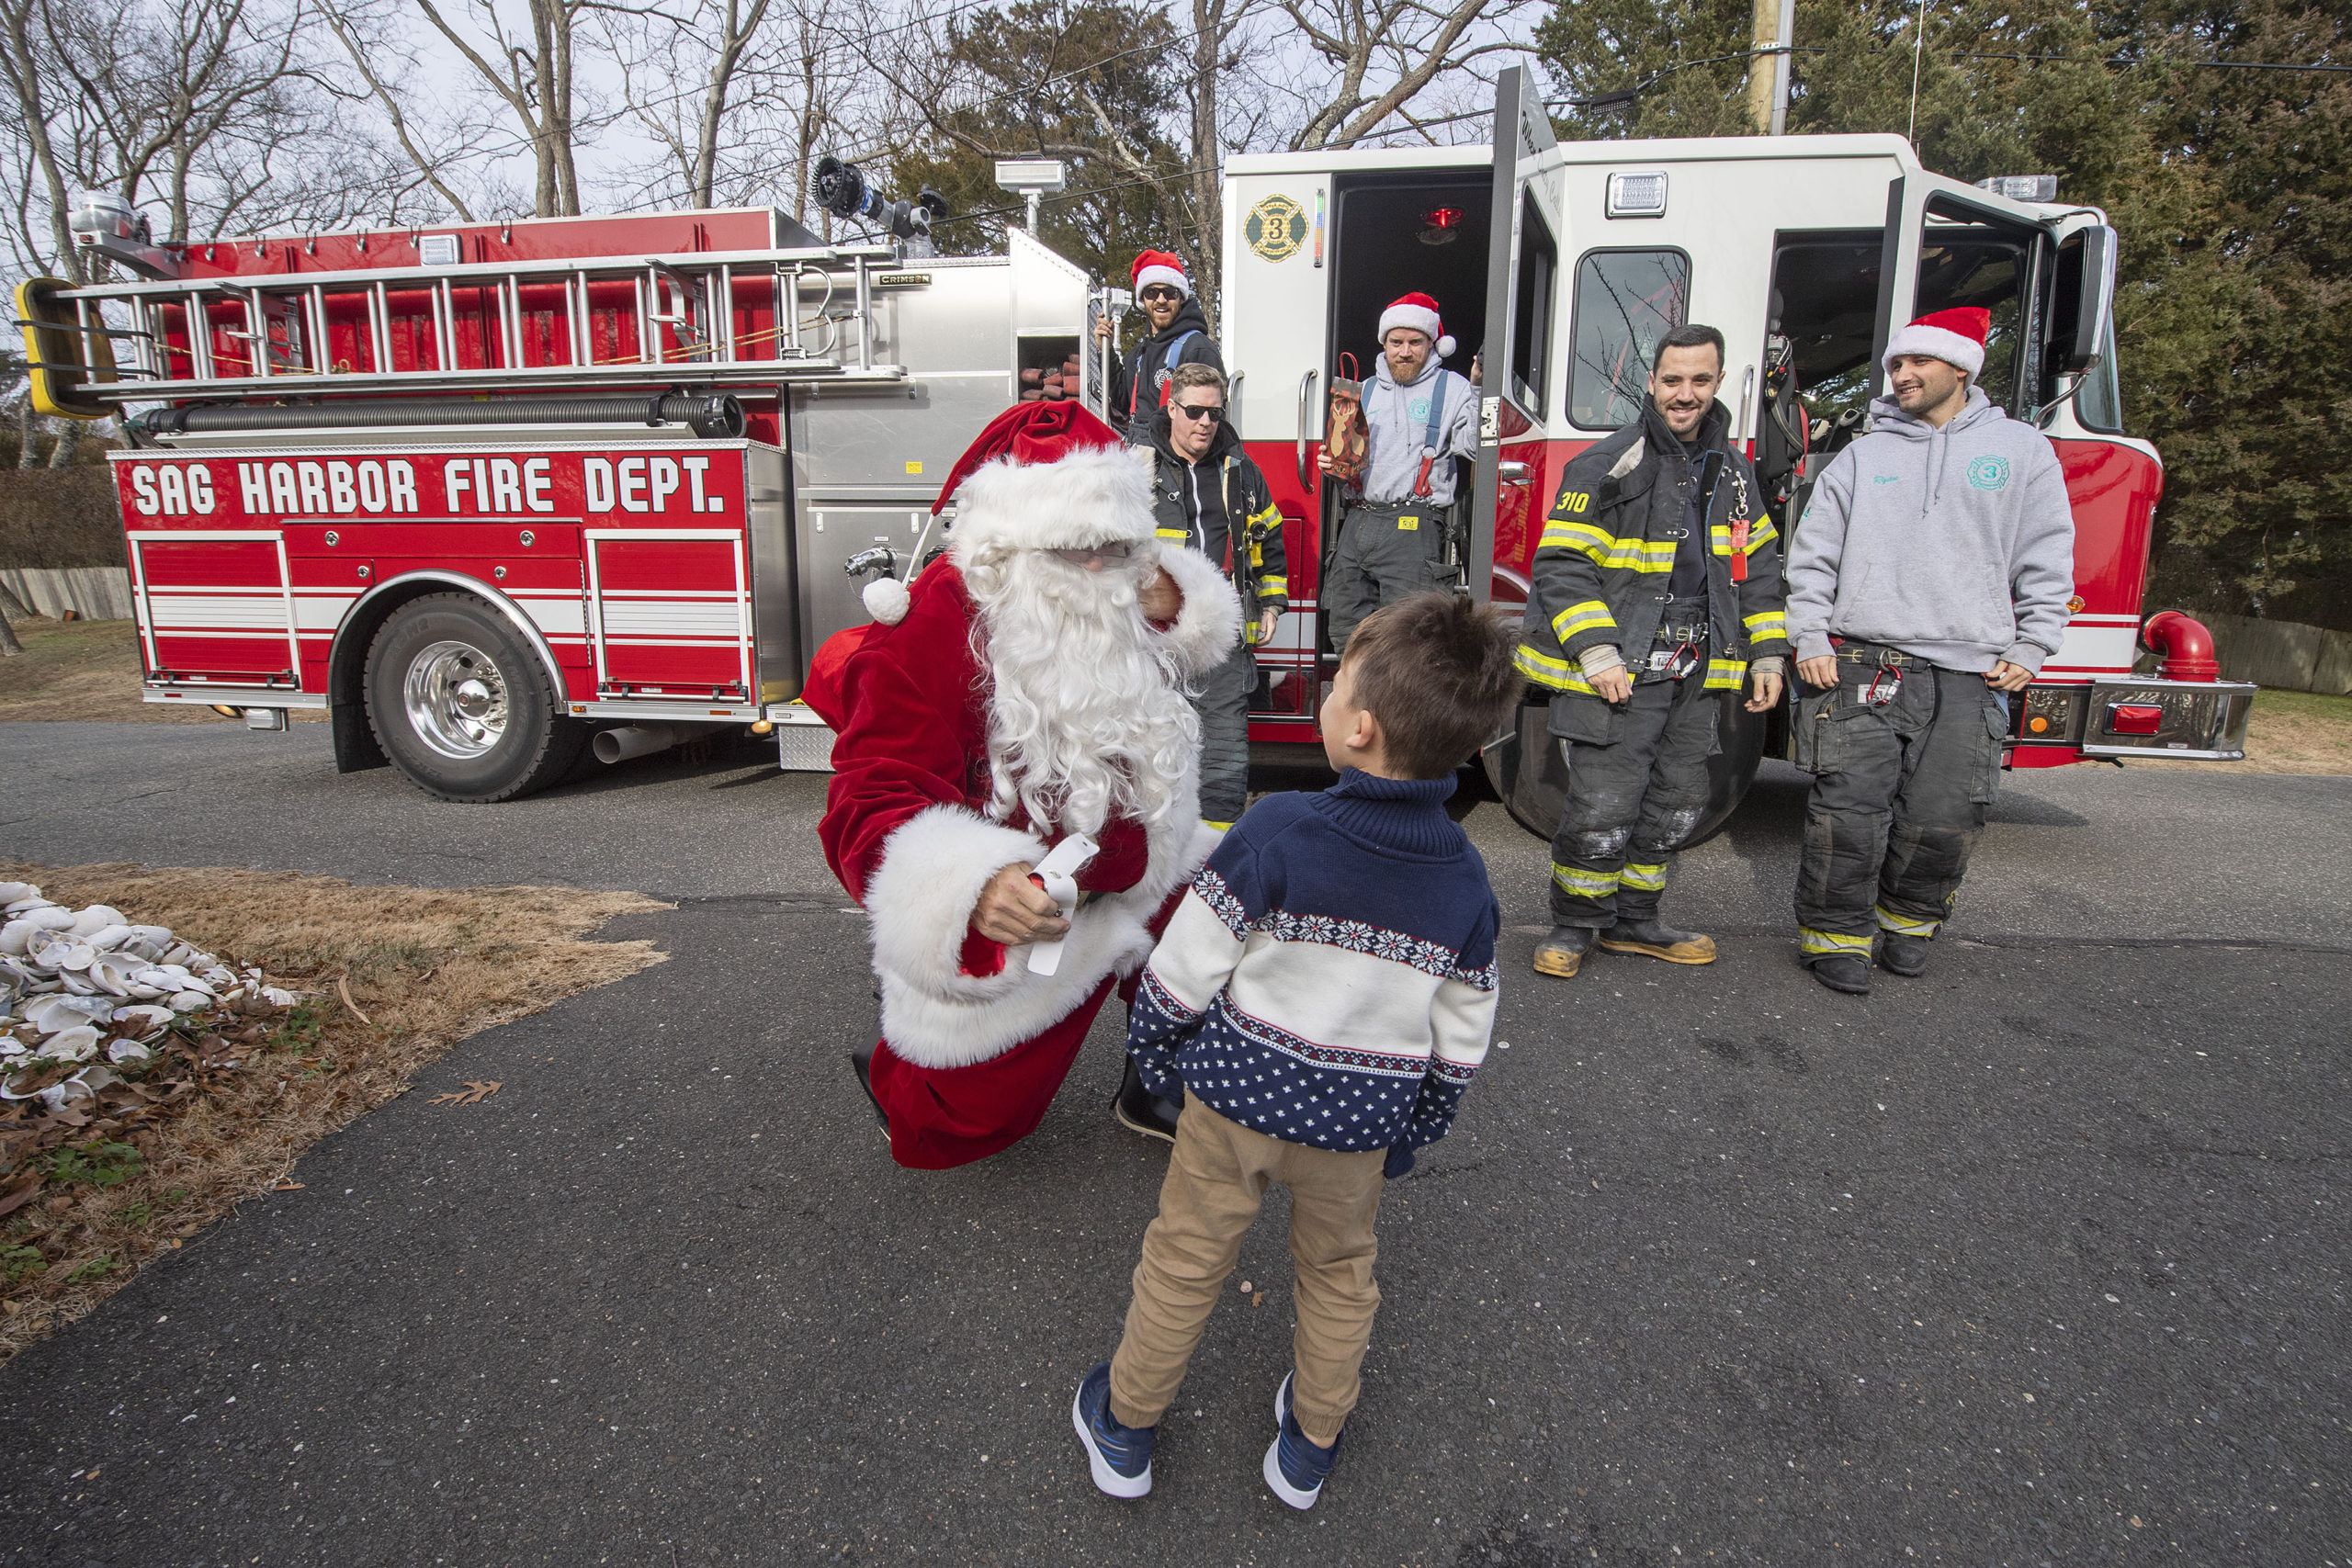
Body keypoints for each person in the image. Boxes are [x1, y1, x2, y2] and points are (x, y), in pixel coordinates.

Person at [1069, 592, 1521, 1511]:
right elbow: (1460, 1034)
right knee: (1339, 1275)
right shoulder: (1467, 880)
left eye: (1334, 684)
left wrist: (1159, 1063)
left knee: (1186, 1258)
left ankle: (1125, 1425)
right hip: (1356, 1128)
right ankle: (1310, 1444)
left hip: (1230, 1102)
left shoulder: (1278, 830)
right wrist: (1416, 1126)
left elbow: (1182, 971)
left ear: (1357, 727)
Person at [817, 400, 1242, 1168]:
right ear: (1005, 542)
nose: (1093, 567)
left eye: (1111, 545)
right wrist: (971, 889)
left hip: (1141, 869)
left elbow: (1195, 623)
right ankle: (900, 1069)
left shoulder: (1120, 584)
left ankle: (1158, 1079)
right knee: (963, 1126)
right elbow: (868, 797)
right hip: (1034, 907)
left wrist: (1171, 599)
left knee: (1238, 887)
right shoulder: (936, 620)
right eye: (1068, 547)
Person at [1784, 306, 2075, 995]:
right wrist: (1811, 633)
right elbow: (1813, 552)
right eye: (1895, 364)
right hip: (1863, 658)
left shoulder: (2022, 452)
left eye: (1916, 363)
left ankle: (1910, 926)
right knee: (1848, 808)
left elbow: (2047, 555)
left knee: (1945, 813)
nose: (1901, 375)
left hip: (1970, 668)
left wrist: (2034, 642)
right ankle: (1834, 938)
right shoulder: (1865, 454)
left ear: (1961, 368)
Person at [1516, 323, 1790, 979]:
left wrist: (1769, 653)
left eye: (1700, 380)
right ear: (1651, 381)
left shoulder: (1736, 475)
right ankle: (1576, 924)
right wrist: (1599, 653)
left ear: (1719, 383)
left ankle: (1636, 921)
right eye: (1673, 379)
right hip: (1622, 668)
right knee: (1603, 803)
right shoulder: (1608, 462)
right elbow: (1561, 566)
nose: (1685, 393)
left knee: (1675, 801)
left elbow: (1760, 567)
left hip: (1698, 670)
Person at [1317, 293, 1480, 649]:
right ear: (1384, 344)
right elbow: (1348, 463)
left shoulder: (1454, 389)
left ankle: (1397, 708)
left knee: (1406, 641)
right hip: (1358, 521)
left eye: (1414, 342)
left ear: (1432, 344)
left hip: (1414, 525)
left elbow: (1475, 447)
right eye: (1396, 342)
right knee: (1346, 634)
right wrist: (1333, 467)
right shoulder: (1364, 390)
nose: (1404, 352)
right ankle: (1355, 705)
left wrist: (1481, 389)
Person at [1096, 250, 1224, 439]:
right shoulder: (1139, 355)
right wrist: (1105, 350)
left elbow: (1211, 423)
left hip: (1178, 463)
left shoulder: (1197, 350)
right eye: (1152, 292)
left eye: (1170, 293)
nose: (1161, 300)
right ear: (1142, 299)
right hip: (1141, 454)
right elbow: (1122, 400)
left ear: (1181, 297)